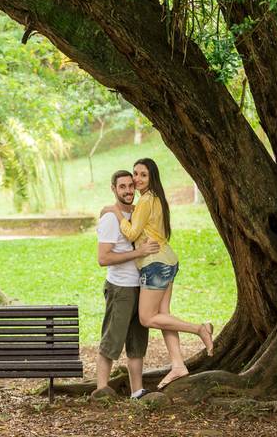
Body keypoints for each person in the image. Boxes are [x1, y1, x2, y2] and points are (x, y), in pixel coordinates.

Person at [109, 158, 214, 390]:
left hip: (155, 265)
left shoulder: (146, 200)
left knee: (147, 318)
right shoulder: (156, 198)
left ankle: (199, 329)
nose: (136, 179)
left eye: (142, 175)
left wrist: (117, 213)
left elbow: (131, 232)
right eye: (135, 174)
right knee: (164, 315)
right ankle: (178, 365)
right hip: (168, 260)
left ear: (151, 177)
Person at [92, 170, 161, 400]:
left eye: (131, 186)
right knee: (111, 340)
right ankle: (101, 390)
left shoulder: (139, 212)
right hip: (120, 288)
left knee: (137, 343)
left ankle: (137, 391)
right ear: (114, 189)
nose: (128, 191)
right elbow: (103, 258)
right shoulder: (111, 218)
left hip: (142, 287)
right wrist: (138, 253)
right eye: (122, 187)